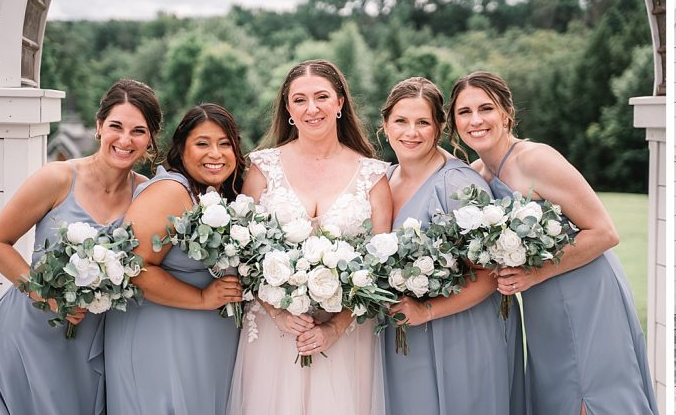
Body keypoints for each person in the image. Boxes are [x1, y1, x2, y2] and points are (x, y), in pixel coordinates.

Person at [448, 71, 656, 415]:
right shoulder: (476, 175)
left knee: (593, 398)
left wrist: (534, 274)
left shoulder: (535, 159)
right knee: (559, 398)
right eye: (464, 112)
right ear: (455, 123)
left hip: (586, 290)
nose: (476, 120)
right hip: (541, 303)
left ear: (506, 114)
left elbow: (605, 232)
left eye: (486, 108)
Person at [0, 79, 161, 415]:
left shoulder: (148, 194)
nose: (125, 140)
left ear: (150, 138)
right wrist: (44, 295)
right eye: (116, 127)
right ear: (98, 127)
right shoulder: (57, 178)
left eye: (138, 131)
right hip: (31, 331)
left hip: (95, 341)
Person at [227, 60, 392, 415]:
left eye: (322, 97)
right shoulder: (262, 168)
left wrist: (335, 327)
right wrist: (278, 314)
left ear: (340, 103)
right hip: (276, 334)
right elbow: (243, 253)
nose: (311, 108)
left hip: (348, 335)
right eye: (299, 99)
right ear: (288, 108)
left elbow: (379, 269)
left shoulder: (373, 177)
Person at [379, 77, 525, 414]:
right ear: (385, 125)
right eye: (401, 121)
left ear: (440, 127)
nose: (411, 132)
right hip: (405, 333)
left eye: (423, 122)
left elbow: (491, 275)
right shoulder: (384, 180)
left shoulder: (458, 185)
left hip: (462, 332)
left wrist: (425, 311)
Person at [104, 103, 245, 414]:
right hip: (161, 343)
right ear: (181, 149)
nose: (216, 154)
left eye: (225, 144)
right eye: (203, 143)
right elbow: (134, 268)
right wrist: (202, 298)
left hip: (205, 343)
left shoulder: (215, 196)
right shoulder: (171, 190)